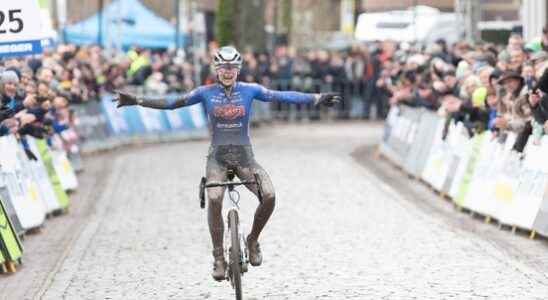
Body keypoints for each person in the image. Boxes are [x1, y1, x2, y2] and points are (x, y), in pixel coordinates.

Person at [113, 46, 341, 281]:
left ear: (238, 70)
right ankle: (218, 257)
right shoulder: (206, 92)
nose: (228, 72)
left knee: (270, 195)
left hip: (244, 157)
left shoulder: (250, 90)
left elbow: (281, 95)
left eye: (232, 68)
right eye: (223, 68)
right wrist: (138, 100)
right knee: (214, 198)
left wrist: (316, 98)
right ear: (217, 69)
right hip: (218, 158)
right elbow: (173, 102)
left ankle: (252, 240)